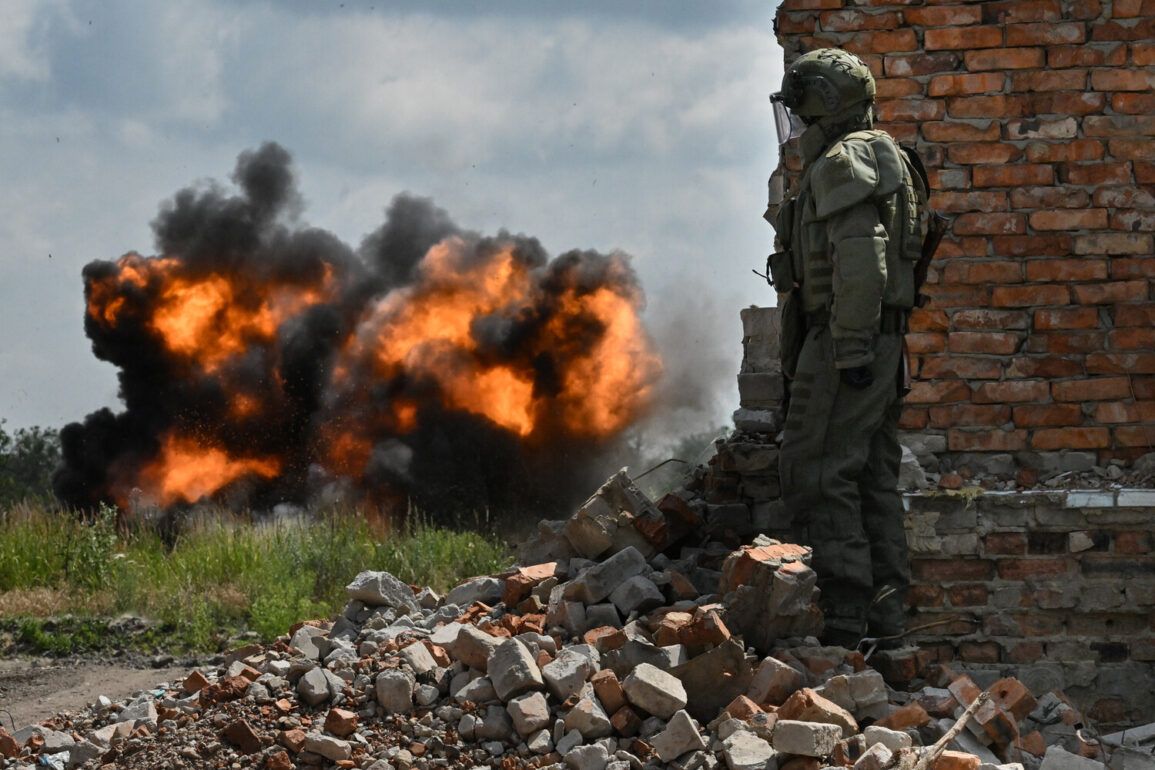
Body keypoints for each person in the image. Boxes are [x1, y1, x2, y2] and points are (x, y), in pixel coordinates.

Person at [766, 48, 927, 649]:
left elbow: (862, 262)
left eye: (802, 109)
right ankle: (885, 623)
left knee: (817, 473)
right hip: (877, 343)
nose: (798, 123)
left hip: (847, 343)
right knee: (869, 480)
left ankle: (845, 623)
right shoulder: (886, 157)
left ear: (826, 105)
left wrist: (852, 349)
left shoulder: (843, 162)